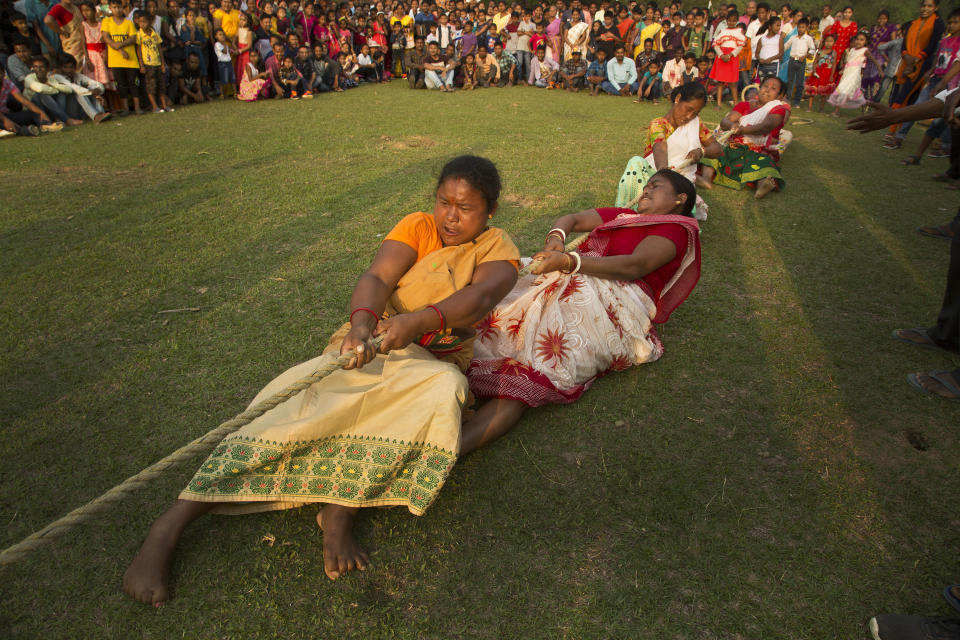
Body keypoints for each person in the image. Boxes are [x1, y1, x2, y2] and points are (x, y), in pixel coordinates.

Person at [123, 155, 521, 606]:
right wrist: (361, 325)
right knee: (293, 412)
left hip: (431, 360)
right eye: (444, 202)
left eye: (465, 207)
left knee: (441, 393)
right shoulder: (416, 226)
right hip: (370, 343)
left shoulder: (498, 248)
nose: (450, 216)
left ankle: (341, 508)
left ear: (489, 211)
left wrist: (415, 323)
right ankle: (171, 524)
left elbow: (480, 296)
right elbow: (377, 275)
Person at [464, 169, 700, 451]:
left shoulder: (676, 228)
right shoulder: (624, 215)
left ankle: (451, 451)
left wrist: (567, 263)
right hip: (573, 273)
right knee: (498, 282)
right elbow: (572, 219)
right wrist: (556, 237)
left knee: (538, 361)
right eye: (646, 185)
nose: (646, 190)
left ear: (680, 199)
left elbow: (634, 266)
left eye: (656, 186)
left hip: (615, 303)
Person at [700, 75, 790, 199]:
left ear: (779, 96)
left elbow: (766, 127)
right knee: (714, 151)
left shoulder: (778, 109)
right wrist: (732, 125)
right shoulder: (744, 105)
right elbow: (725, 121)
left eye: (773, 88)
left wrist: (741, 129)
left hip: (757, 150)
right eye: (765, 86)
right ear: (760, 87)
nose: (767, 90)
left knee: (765, 162)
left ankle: (763, 185)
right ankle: (706, 180)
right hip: (733, 146)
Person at [889, 8, 960, 151]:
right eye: (950, 22)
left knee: (945, 116)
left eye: (956, 22)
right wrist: (931, 71)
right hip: (936, 79)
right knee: (917, 107)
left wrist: (943, 83)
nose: (951, 25)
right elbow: (937, 59)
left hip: (951, 84)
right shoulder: (945, 41)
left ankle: (945, 146)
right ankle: (900, 136)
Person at [887, 0, 944, 142]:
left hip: (922, 66)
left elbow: (932, 45)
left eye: (929, 6)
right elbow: (904, 44)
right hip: (906, 64)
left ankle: (895, 131)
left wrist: (916, 60)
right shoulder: (913, 23)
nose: (925, 9)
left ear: (936, 7)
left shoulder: (938, 23)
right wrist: (907, 57)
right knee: (904, 96)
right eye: (923, 5)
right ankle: (895, 129)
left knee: (906, 97)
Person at [100, 0, 141, 115]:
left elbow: (133, 38)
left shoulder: (128, 23)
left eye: (119, 7)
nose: (117, 10)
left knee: (134, 84)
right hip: (116, 60)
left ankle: (137, 107)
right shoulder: (106, 21)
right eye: (114, 7)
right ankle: (125, 109)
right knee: (121, 85)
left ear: (122, 8)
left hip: (131, 59)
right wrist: (120, 50)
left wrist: (120, 45)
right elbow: (106, 38)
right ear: (110, 8)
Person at [827, 31, 880, 115]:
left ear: (865, 42)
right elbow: (848, 61)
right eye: (857, 39)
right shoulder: (851, 50)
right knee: (846, 91)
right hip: (847, 73)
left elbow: (874, 60)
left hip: (854, 74)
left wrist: (880, 70)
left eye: (861, 40)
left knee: (843, 90)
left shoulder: (864, 50)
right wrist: (843, 69)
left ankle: (837, 111)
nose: (858, 41)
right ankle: (864, 104)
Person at [136, 10, 173, 112]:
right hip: (148, 64)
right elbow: (138, 50)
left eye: (144, 21)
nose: (142, 24)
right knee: (151, 86)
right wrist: (141, 65)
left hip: (157, 63)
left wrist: (162, 63)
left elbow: (159, 48)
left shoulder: (154, 33)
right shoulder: (139, 35)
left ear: (149, 22)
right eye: (140, 22)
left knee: (161, 85)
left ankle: (164, 105)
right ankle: (155, 106)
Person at [709, 7, 745, 107]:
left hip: (732, 58)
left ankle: (735, 103)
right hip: (721, 57)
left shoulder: (739, 32)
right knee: (720, 82)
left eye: (734, 21)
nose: (731, 22)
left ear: (737, 21)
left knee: (733, 83)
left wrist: (730, 55)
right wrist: (721, 55)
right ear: (726, 20)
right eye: (729, 20)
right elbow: (715, 44)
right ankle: (719, 104)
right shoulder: (722, 31)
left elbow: (740, 46)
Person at [862, 10, 898, 101]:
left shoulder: (891, 28)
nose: (882, 20)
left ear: (887, 19)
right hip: (870, 55)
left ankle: (873, 99)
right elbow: (869, 40)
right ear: (877, 19)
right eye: (880, 18)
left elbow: (894, 42)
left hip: (881, 56)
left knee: (876, 77)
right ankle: (865, 99)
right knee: (866, 77)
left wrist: (884, 43)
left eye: (884, 18)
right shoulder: (873, 28)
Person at [784, 17, 814, 107]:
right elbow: (786, 46)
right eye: (799, 27)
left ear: (806, 28)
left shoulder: (808, 38)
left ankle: (797, 101)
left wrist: (805, 56)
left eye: (803, 27)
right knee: (790, 81)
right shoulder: (793, 38)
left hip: (801, 61)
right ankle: (788, 99)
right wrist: (780, 51)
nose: (801, 29)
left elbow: (812, 49)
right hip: (792, 60)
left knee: (800, 82)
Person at [805, 32, 836, 111]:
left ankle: (821, 109)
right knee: (813, 90)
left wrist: (832, 75)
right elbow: (815, 62)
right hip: (818, 72)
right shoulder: (820, 51)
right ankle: (810, 107)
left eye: (831, 41)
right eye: (827, 41)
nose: (828, 43)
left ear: (834, 42)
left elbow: (834, 65)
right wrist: (814, 70)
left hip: (827, 73)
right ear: (824, 42)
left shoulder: (834, 53)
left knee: (824, 93)